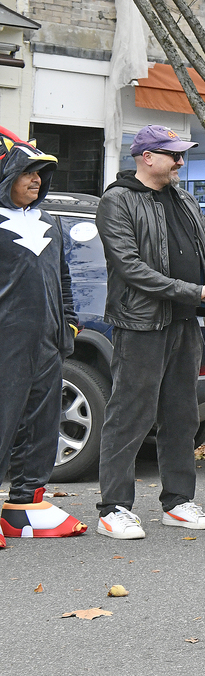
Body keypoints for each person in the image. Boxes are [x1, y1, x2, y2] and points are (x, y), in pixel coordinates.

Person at [94, 126, 205, 539]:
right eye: (172, 154)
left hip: (183, 322)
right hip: (140, 324)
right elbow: (130, 267)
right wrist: (194, 291)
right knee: (130, 415)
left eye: (182, 154)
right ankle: (113, 508)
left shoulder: (184, 199)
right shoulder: (117, 200)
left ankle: (178, 502)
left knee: (182, 416)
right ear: (147, 157)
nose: (181, 161)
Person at [0, 133, 85, 543]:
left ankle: (25, 504)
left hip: (47, 343)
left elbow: (63, 279)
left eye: (41, 173)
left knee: (41, 425)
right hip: (7, 343)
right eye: (28, 172)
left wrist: (68, 324)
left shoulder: (49, 222)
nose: (36, 180)